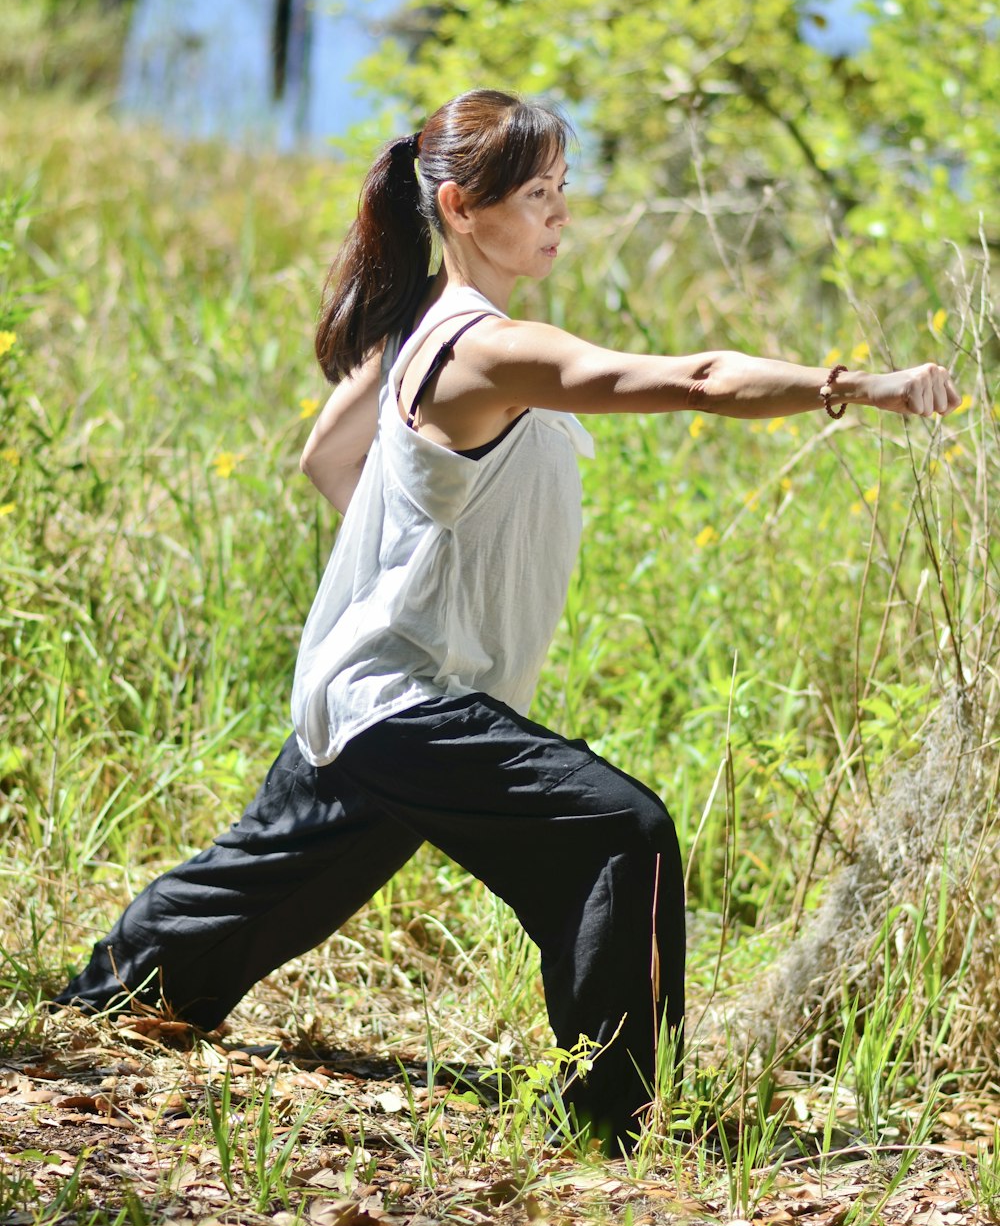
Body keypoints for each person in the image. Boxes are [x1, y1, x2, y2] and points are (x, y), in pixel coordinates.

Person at [55, 89, 960, 1150]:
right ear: (460, 206)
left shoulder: (412, 327)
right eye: (537, 194)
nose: (560, 214)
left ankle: (101, 1001)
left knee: (278, 873)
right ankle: (621, 1119)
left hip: (379, 681)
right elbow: (698, 380)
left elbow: (326, 459)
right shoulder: (480, 351)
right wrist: (857, 385)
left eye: (563, 189)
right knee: (619, 832)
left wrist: (413, 570)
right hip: (409, 697)